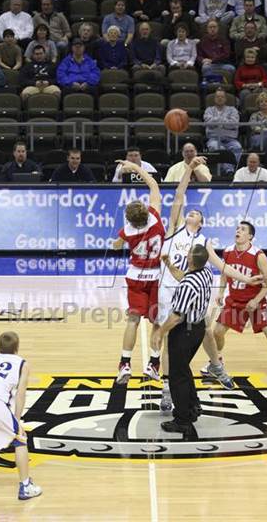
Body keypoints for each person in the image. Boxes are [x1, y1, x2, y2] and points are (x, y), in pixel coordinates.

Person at [145, 157, 264, 411]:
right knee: (169, 344)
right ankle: (166, 391)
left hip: (193, 292)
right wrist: (188, 168)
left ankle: (217, 366)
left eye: (197, 213)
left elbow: (223, 267)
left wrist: (246, 278)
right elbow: (179, 194)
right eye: (191, 211)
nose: (192, 212)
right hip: (169, 293)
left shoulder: (203, 241)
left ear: (200, 223)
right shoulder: (173, 229)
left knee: (206, 331)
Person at [200, 221, 267, 388]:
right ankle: (217, 362)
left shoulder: (258, 255)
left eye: (242, 230)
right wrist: (220, 292)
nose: (238, 231)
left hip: (255, 301)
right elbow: (224, 274)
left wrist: (256, 300)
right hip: (234, 301)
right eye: (237, 229)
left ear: (250, 236)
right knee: (217, 332)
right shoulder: (228, 251)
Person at [111, 162, 165, 384]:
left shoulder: (128, 231)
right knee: (157, 322)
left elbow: (116, 246)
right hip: (156, 277)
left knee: (132, 320)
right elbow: (153, 185)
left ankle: (125, 363)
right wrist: (136, 167)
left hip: (135, 276)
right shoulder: (155, 217)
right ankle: (153, 364)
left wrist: (119, 240)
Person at [0, 331, 42, 498]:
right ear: (17, 347)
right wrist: (17, 421)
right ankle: (26, 486)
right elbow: (20, 395)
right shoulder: (22, 363)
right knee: (20, 440)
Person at [153, 244, 213, 433]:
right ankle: (193, 406)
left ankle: (182, 420)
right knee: (184, 370)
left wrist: (160, 332)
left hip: (184, 332)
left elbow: (177, 316)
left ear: (190, 260)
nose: (186, 256)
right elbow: (184, 276)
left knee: (177, 376)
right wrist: (170, 265)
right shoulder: (206, 273)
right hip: (199, 328)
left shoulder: (188, 285)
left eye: (188, 256)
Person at [204, 87, 242, 175]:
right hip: (214, 138)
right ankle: (226, 171)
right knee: (217, 147)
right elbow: (209, 123)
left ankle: (229, 171)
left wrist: (217, 122)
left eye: (222, 97)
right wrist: (225, 122)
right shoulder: (209, 110)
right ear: (214, 99)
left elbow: (234, 124)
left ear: (225, 99)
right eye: (217, 97)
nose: (220, 98)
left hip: (231, 139)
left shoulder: (233, 110)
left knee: (237, 147)